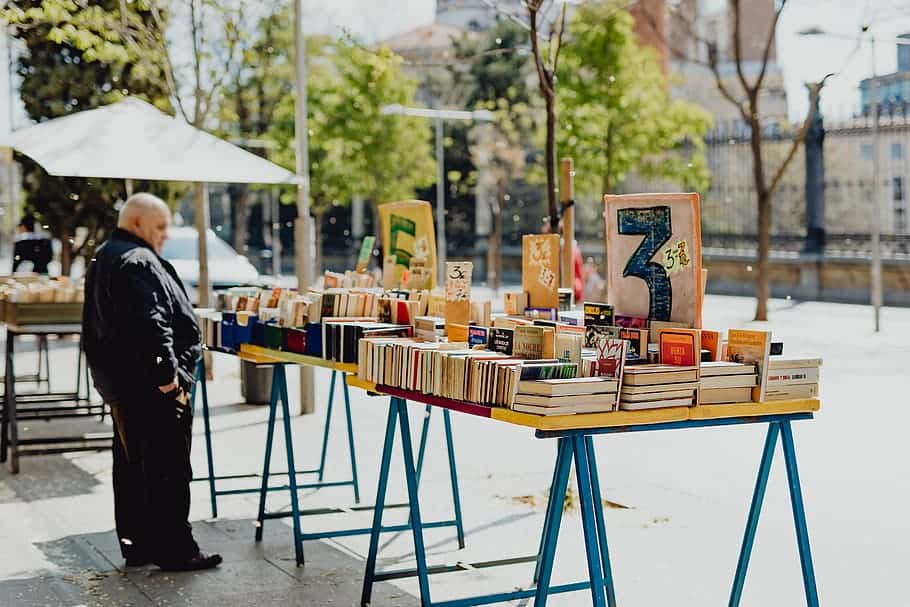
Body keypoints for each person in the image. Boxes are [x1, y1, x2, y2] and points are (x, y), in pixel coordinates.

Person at [82, 193, 221, 571]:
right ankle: (176, 550)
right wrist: (169, 381)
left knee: (132, 469)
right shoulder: (137, 260)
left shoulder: (106, 254)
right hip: (149, 389)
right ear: (137, 224)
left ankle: (139, 544)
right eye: (159, 227)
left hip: (124, 387)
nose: (164, 235)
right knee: (166, 469)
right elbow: (151, 324)